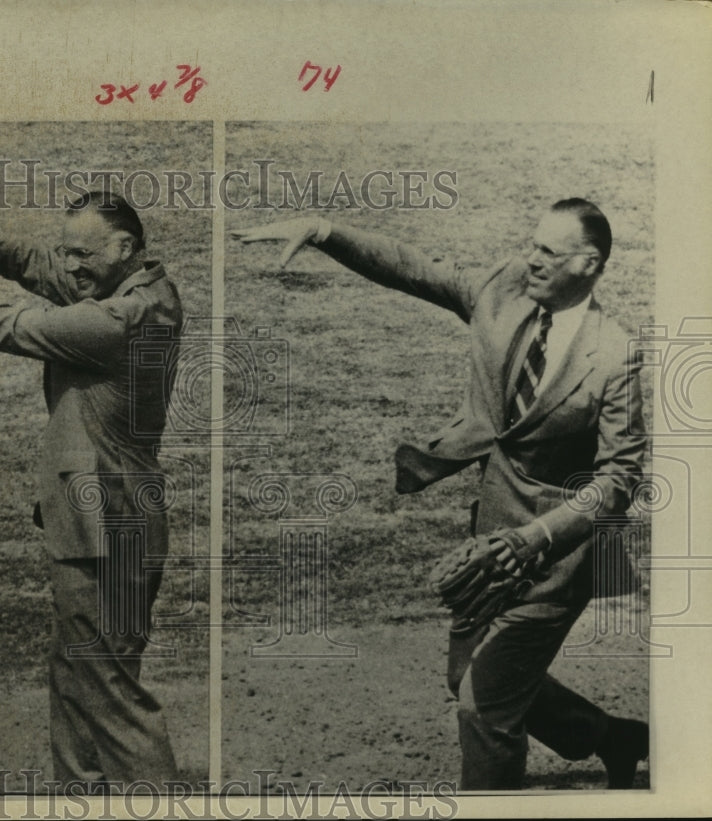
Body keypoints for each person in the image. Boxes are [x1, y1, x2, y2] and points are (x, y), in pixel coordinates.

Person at [232, 199, 650, 790]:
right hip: (488, 544)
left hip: (559, 557)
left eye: (548, 253)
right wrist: (325, 232)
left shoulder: (616, 356)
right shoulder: (504, 292)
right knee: (467, 679)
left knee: (484, 707)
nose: (530, 258)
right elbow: (414, 268)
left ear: (589, 264)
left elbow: (617, 483)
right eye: (531, 243)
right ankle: (612, 738)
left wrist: (537, 538)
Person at [0, 165, 182, 790]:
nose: (72, 267)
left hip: (104, 529)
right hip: (115, 521)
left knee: (108, 690)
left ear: (124, 247)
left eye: (84, 254)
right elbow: (39, 264)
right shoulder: (133, 285)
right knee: (79, 677)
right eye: (70, 252)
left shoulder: (120, 322)